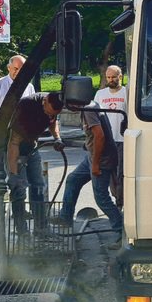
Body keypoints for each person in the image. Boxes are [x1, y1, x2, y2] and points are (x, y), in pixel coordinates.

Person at [54, 101, 123, 247]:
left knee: (101, 198)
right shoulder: (90, 106)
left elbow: (100, 136)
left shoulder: (88, 111)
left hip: (102, 159)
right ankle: (65, 219)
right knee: (73, 180)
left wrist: (96, 164)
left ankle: (121, 232)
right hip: (92, 157)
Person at [7, 92, 64, 234]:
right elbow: (13, 142)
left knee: (38, 186)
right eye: (48, 112)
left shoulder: (54, 103)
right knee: (19, 190)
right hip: (15, 148)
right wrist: (14, 174)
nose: (50, 116)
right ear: (44, 101)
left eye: (53, 114)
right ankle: (22, 232)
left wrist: (57, 138)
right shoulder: (26, 106)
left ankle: (41, 228)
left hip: (32, 146)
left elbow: (52, 122)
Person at [94, 65, 126, 208]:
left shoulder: (128, 93)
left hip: (122, 139)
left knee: (121, 173)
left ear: (121, 76)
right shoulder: (100, 94)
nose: (110, 80)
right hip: (106, 140)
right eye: (108, 77)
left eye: (113, 77)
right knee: (110, 173)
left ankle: (120, 203)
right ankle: (116, 199)